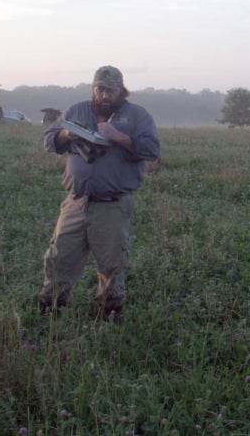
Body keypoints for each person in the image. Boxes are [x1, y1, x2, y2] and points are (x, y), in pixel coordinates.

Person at [38, 65, 161, 322]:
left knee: (112, 263)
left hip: (112, 205)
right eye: (100, 89)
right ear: (93, 89)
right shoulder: (76, 110)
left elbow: (152, 149)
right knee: (59, 256)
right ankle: (50, 311)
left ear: (121, 90)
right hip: (75, 202)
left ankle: (110, 312)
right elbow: (49, 140)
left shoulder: (137, 116)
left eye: (110, 91)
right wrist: (64, 133)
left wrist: (119, 137)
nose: (104, 96)